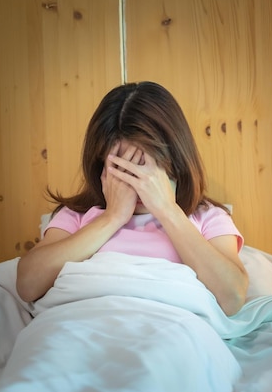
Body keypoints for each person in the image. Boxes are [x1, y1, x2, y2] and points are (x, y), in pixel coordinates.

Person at [16, 81, 248, 316]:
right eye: (122, 169)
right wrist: (112, 217)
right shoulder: (77, 216)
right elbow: (27, 284)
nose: (136, 183)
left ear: (174, 161)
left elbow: (232, 297)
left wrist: (167, 210)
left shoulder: (206, 218)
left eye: (143, 167)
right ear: (101, 166)